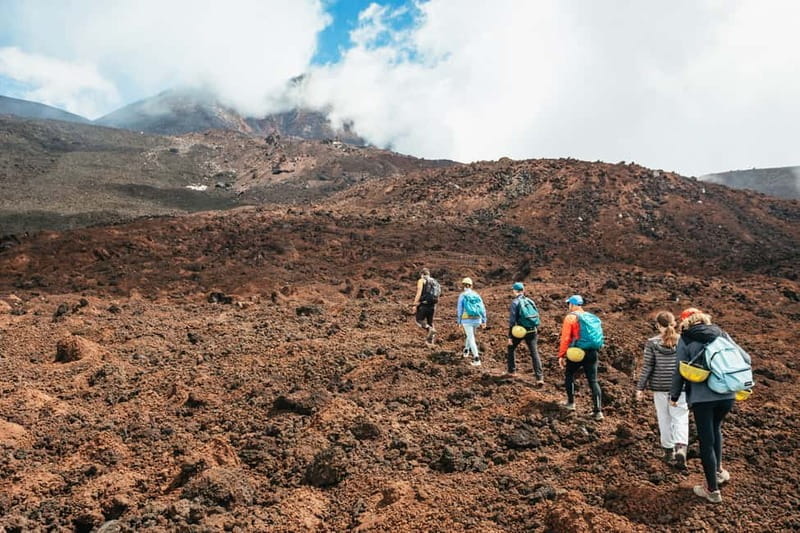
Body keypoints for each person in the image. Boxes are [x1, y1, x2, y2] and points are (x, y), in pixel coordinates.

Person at [670, 308, 735, 504]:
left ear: (685, 322)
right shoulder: (721, 333)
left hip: (703, 398)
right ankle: (719, 471)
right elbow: (742, 357)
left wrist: (674, 395)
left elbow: (679, 370)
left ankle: (712, 489)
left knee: (706, 441)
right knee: (716, 429)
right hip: (727, 394)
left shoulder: (686, 338)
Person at [635, 311, 689, 467]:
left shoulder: (652, 343)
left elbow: (648, 367)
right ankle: (681, 448)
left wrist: (640, 387)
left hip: (659, 387)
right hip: (680, 388)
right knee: (680, 418)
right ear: (674, 323)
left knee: (664, 419)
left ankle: (668, 452)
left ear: (658, 325)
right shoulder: (683, 341)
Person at [558, 294, 604, 421]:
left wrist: (562, 355)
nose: (568, 306)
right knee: (593, 381)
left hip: (577, 353)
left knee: (569, 374)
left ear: (572, 304)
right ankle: (598, 412)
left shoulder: (570, 318)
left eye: (569, 304)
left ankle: (571, 403)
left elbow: (566, 338)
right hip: (592, 352)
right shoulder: (591, 317)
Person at [506, 282, 544, 385]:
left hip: (520, 331)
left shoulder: (515, 303)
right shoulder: (530, 301)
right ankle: (539, 378)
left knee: (511, 348)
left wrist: (510, 336)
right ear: (523, 290)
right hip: (532, 330)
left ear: (515, 291)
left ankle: (512, 371)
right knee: (534, 353)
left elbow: (512, 321)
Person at [456, 277, 487, 367]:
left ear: (463, 286)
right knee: (470, 335)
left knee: (471, 338)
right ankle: (466, 350)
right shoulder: (476, 295)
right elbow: (482, 308)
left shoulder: (462, 295)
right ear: (471, 285)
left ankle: (476, 358)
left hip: (467, 320)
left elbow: (460, 309)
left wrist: (459, 321)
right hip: (477, 319)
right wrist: (484, 320)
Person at [412, 268, 439, 346]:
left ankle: (429, 329)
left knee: (419, 320)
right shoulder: (434, 281)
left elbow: (419, 292)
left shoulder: (421, 280)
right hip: (433, 305)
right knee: (430, 322)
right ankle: (431, 342)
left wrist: (414, 304)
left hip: (424, 305)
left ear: (422, 274)